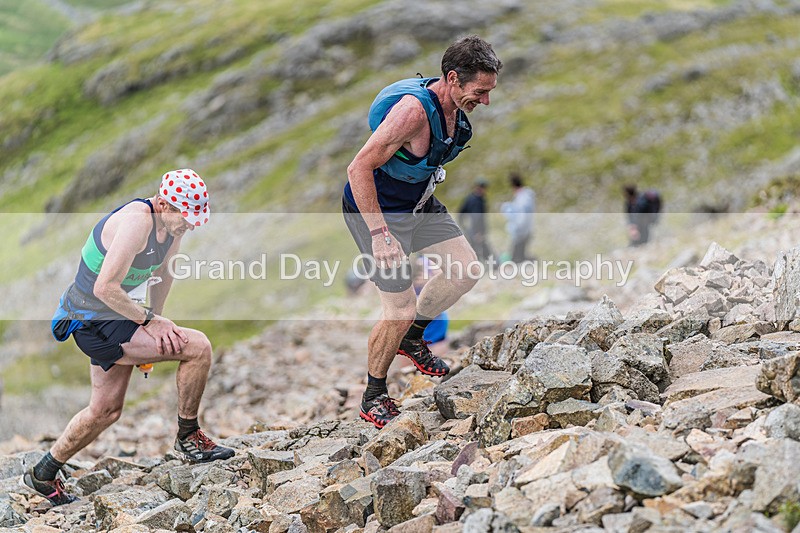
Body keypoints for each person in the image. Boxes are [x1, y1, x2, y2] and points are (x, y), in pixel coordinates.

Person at [24, 169, 233, 506]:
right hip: (93, 318)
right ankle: (188, 438)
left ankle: (43, 472)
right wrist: (149, 322)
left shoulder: (171, 225)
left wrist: (157, 322)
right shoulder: (137, 222)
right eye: (187, 216)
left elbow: (163, 274)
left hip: (117, 314)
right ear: (164, 203)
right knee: (198, 348)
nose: (191, 224)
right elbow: (103, 288)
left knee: (105, 410)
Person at [342, 35, 502, 428]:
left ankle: (414, 338)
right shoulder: (412, 113)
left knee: (466, 270)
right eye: (479, 92)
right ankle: (373, 394)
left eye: (489, 92)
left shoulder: (455, 114)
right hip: (379, 212)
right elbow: (358, 168)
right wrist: (380, 235)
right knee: (398, 308)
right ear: (452, 79)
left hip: (419, 205)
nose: (485, 102)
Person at [501, 172, 535, 263]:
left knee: (517, 257)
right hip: (526, 229)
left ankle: (531, 263)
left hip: (521, 231)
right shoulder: (527, 196)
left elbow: (522, 216)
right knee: (519, 254)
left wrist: (518, 228)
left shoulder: (522, 198)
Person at [458, 178, 492, 261]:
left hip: (471, 229)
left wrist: (464, 226)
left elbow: (461, 213)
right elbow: (477, 217)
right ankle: (492, 264)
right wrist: (478, 231)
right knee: (480, 248)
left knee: (476, 248)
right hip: (476, 229)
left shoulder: (470, 198)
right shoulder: (477, 201)